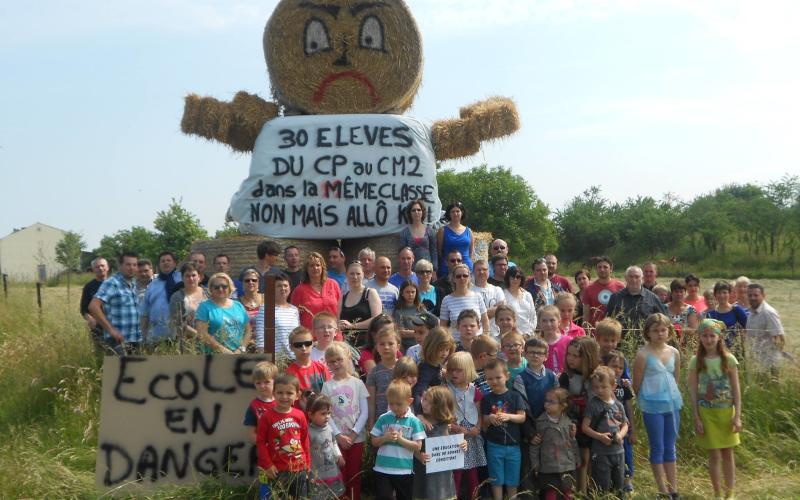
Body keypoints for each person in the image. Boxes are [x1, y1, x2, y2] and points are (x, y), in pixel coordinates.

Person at [688, 319, 742, 500]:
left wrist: (737, 417)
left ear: (719, 338)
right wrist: (696, 417)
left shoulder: (729, 360)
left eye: (712, 336)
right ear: (700, 338)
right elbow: (693, 392)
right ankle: (717, 492)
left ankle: (730, 491)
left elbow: (736, 390)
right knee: (714, 455)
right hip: (707, 414)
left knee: (728, 453)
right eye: (705, 336)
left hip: (726, 412)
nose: (709, 339)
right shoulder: (696, 361)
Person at [632, 313, 683, 499]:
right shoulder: (643, 354)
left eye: (663, 330)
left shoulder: (674, 352)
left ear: (669, 331)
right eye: (655, 330)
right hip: (652, 406)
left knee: (671, 446)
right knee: (658, 446)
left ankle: (673, 489)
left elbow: (675, 378)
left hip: (672, 404)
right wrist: (642, 400)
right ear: (648, 333)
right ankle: (662, 489)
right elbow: (636, 384)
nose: (660, 334)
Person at [322, 342, 370, 500]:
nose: (335, 364)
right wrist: (338, 436)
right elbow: (326, 414)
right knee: (339, 474)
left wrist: (354, 434)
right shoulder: (327, 386)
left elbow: (364, 412)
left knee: (354, 474)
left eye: (339, 359)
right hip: (337, 441)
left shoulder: (358, 383)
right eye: (331, 361)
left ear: (348, 357)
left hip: (357, 439)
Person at [256, 374, 311, 499]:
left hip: (299, 469)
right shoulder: (267, 417)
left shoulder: (300, 415)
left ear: (297, 395)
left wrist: (307, 463)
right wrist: (268, 465)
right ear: (274, 394)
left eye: (289, 393)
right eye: (280, 392)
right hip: (278, 471)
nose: (284, 396)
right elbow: (260, 442)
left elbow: (305, 440)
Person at [370, 380, 426, 500]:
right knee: (384, 497)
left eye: (399, 404)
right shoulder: (383, 418)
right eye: (391, 403)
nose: (394, 407)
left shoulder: (414, 421)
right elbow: (374, 441)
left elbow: (417, 446)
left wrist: (400, 440)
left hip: (404, 471)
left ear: (409, 401)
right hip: (382, 469)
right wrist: (385, 438)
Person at [481, 358, 527, 500]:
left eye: (498, 377)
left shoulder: (515, 396)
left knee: (513, 479)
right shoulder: (486, 399)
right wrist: (490, 418)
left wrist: (508, 416)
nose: (494, 381)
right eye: (490, 379)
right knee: (496, 478)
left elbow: (522, 417)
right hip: (494, 445)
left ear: (507, 376)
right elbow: (483, 422)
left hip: (514, 445)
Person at [559, 336, 600, 493]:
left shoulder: (597, 375)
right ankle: (580, 491)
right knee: (582, 459)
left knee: (593, 458)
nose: (571, 359)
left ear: (588, 357)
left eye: (576, 356)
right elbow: (564, 403)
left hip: (596, 422)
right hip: (576, 423)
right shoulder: (566, 377)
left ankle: (592, 488)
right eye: (569, 354)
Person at [582, 366, 629, 498]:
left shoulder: (618, 405)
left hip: (618, 451)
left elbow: (625, 425)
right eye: (596, 387)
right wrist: (600, 436)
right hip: (601, 452)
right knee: (603, 486)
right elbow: (585, 427)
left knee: (619, 485)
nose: (599, 390)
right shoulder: (593, 404)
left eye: (603, 387)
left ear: (613, 386)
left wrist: (620, 435)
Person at [445, 351, 486, 500]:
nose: (454, 373)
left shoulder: (474, 390)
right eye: (452, 370)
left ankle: (474, 497)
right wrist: (454, 427)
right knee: (456, 471)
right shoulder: (447, 389)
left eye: (458, 370)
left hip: (471, 435)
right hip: (454, 434)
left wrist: (478, 428)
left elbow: (479, 412)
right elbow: (444, 413)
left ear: (468, 369)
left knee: (472, 471)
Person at [412, 386, 465, 500]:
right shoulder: (418, 423)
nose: (424, 404)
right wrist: (418, 455)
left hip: (443, 477)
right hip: (423, 474)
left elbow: (451, 444)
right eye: (424, 399)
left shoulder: (445, 425)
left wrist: (462, 444)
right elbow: (412, 446)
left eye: (430, 402)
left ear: (440, 406)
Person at [529, 387, 579, 500]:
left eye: (551, 402)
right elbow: (535, 446)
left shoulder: (568, 423)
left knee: (568, 491)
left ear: (563, 405)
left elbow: (572, 441)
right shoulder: (540, 422)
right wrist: (535, 465)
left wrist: (577, 459)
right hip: (548, 466)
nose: (546, 404)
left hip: (567, 465)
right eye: (546, 400)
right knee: (550, 492)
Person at [89, 251, 142, 354]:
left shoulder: (134, 284)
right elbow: (93, 306)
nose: (131, 268)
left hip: (135, 339)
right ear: (120, 266)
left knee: (136, 370)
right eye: (128, 264)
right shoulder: (112, 283)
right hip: (117, 341)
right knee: (119, 370)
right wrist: (110, 330)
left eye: (134, 265)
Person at [602, 350, 636, 494]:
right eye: (613, 366)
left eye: (621, 368)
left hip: (623, 427)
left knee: (626, 454)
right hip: (606, 427)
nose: (617, 370)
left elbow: (628, 406)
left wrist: (633, 429)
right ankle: (610, 482)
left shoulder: (624, 386)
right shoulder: (601, 385)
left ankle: (627, 481)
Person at [196, 273, 252, 354]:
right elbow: (202, 334)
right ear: (211, 289)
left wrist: (241, 348)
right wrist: (222, 350)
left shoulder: (238, 305)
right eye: (216, 287)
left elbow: (248, 330)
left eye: (224, 286)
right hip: (214, 356)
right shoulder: (204, 307)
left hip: (238, 355)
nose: (220, 289)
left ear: (229, 288)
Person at [605, 265, 667, 336]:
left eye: (637, 277)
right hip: (620, 343)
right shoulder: (615, 297)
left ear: (642, 278)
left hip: (646, 343)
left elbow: (664, 320)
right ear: (626, 278)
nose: (634, 280)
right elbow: (607, 321)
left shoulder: (653, 298)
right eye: (630, 277)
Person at [305, 393, 346, 499]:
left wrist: (339, 455)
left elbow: (334, 442)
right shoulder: (309, 432)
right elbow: (305, 451)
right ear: (310, 415)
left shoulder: (329, 427)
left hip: (332, 471)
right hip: (317, 474)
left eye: (329, 413)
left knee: (333, 495)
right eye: (323, 414)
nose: (327, 416)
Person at [292, 252, 341, 330]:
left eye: (318, 265)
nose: (315, 268)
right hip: (310, 336)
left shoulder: (333, 284)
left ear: (322, 267)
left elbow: (341, 309)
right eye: (311, 265)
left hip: (333, 334)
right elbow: (293, 316)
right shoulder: (299, 290)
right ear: (306, 269)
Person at [440, 264, 490, 341]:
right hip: (456, 344)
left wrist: (485, 337)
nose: (462, 278)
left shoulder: (477, 296)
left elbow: (485, 320)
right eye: (458, 276)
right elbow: (443, 326)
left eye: (465, 275)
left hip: (477, 343)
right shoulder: (446, 300)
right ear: (453, 279)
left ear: (469, 278)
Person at [140, 251, 181, 344]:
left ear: (174, 263)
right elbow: (144, 313)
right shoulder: (152, 285)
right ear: (159, 265)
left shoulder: (183, 279)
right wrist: (143, 336)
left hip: (181, 334)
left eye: (168, 260)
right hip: (157, 335)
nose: (165, 263)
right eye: (162, 261)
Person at [255, 273, 299, 359]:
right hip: (275, 359)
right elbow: (260, 339)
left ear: (290, 288)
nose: (283, 288)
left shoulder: (294, 310)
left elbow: (298, 335)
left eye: (285, 285)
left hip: (294, 359)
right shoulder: (265, 309)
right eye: (279, 286)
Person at [746, 283, 786, 375]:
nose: (752, 298)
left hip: (770, 363)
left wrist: (775, 359)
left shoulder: (768, 312)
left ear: (763, 296)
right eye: (750, 295)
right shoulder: (751, 312)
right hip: (757, 360)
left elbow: (780, 338)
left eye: (756, 295)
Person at [412, 327, 455, 414]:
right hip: (428, 415)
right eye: (441, 349)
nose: (444, 353)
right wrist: (419, 415)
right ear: (432, 347)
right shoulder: (425, 368)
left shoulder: (436, 365)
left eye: (447, 349)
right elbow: (417, 392)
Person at [338, 260, 382, 345]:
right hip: (346, 345)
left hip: (367, 344)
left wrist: (352, 326)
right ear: (346, 275)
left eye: (358, 274)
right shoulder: (342, 297)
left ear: (363, 275)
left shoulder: (370, 293)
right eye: (352, 274)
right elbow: (338, 321)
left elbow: (376, 319)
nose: (355, 277)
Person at [366, 326, 402, 428]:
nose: (386, 347)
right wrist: (371, 424)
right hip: (382, 421)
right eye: (382, 344)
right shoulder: (373, 372)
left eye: (390, 344)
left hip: (403, 419)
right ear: (377, 347)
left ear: (398, 346)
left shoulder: (404, 368)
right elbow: (371, 402)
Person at [168, 262, 209, 344]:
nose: (191, 278)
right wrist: (199, 335)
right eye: (187, 276)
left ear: (199, 277)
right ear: (182, 278)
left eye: (193, 275)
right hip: (188, 341)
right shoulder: (176, 297)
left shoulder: (209, 293)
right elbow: (176, 322)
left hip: (210, 340)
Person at [518, 338, 558, 421]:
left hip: (551, 420)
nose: (535, 356)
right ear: (525, 354)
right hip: (530, 421)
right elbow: (522, 405)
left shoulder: (552, 376)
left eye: (539, 353)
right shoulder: (520, 379)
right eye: (532, 352)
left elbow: (558, 399)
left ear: (546, 356)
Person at [581, 256, 625, 329]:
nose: (602, 269)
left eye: (605, 267)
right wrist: (585, 332)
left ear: (611, 269)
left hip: (615, 332)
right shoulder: (588, 289)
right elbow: (586, 315)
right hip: (595, 332)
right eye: (599, 267)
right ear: (596, 269)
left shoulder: (621, 287)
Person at [706, 281, 749, 352]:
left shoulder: (736, 310)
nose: (722, 295)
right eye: (719, 293)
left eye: (724, 292)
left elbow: (747, 327)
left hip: (736, 350)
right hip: (717, 351)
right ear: (715, 295)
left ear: (729, 294)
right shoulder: (710, 314)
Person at [287, 326, 331, 394]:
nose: (304, 348)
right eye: (298, 345)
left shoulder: (321, 368)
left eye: (307, 344)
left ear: (312, 344)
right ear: (291, 348)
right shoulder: (289, 373)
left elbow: (330, 392)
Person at [399, 199, 438, 275]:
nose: (416, 212)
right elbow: (402, 254)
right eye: (413, 210)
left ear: (422, 212)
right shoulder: (404, 232)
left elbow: (434, 252)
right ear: (410, 213)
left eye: (419, 210)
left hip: (427, 270)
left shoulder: (430, 231)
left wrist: (434, 270)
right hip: (411, 271)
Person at [244, 361, 279, 443]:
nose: (262, 386)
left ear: (275, 381)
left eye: (266, 382)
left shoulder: (283, 401)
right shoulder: (254, 406)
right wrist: (264, 446)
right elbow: (251, 433)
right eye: (258, 383)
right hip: (264, 450)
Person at [80, 257, 109, 347]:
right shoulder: (89, 287)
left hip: (117, 325)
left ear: (107, 267)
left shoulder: (117, 284)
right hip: (98, 328)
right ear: (93, 270)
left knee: (117, 356)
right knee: (100, 356)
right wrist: (90, 319)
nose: (100, 268)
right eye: (97, 267)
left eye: (102, 265)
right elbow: (83, 309)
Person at [437, 201, 474, 272]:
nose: (455, 214)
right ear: (449, 214)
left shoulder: (469, 231)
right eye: (453, 212)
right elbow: (439, 251)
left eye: (458, 211)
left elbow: (471, 252)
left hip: (466, 267)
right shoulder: (442, 230)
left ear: (462, 213)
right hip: (448, 268)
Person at [472, 259, 505, 337]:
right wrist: (493, 310)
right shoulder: (469, 292)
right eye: (478, 270)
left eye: (484, 269)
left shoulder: (497, 289)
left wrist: (481, 314)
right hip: (476, 335)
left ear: (489, 272)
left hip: (495, 334)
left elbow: (501, 311)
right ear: (473, 272)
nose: (481, 272)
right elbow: (472, 315)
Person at [539, 305, 573, 376]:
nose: (548, 324)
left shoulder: (568, 341)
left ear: (559, 321)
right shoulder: (537, 344)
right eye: (544, 321)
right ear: (539, 323)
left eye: (552, 320)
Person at [503, 266, 537, 336]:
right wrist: (518, 333)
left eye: (518, 277)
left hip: (529, 334)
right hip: (511, 334)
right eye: (512, 277)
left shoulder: (527, 295)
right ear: (508, 278)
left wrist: (529, 332)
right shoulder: (503, 295)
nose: (515, 279)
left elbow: (533, 316)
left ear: (521, 279)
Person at [393, 280, 425, 352]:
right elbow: (401, 333)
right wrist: (420, 332)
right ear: (402, 293)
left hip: (421, 346)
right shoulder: (399, 311)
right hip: (405, 348)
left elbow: (428, 326)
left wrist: (410, 332)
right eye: (407, 292)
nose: (410, 294)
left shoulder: (421, 309)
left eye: (413, 292)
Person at [238, 268, 263, 333]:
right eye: (247, 280)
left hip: (264, 339)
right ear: (242, 284)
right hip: (244, 340)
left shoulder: (267, 299)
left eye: (254, 280)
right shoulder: (237, 303)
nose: (250, 282)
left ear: (258, 283)